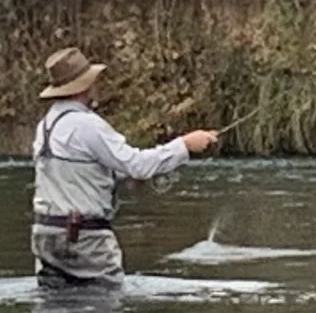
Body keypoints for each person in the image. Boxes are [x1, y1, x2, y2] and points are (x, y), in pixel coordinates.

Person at [31, 46, 217, 285]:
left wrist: (121, 176)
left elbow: (79, 171)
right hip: (84, 237)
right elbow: (137, 164)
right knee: (105, 305)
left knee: (56, 310)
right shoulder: (87, 125)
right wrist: (185, 145)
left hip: (45, 235)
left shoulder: (45, 125)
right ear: (85, 86)